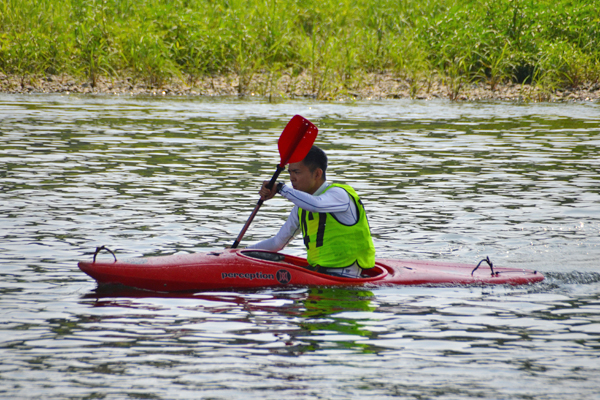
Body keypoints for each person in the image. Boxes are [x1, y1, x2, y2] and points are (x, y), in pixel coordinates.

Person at [247, 145, 376, 278]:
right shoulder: (301, 207)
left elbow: (316, 205)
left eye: (297, 172)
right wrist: (242, 252)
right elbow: (277, 243)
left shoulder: (339, 194)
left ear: (317, 174)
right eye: (290, 173)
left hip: (346, 277)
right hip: (318, 273)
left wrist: (280, 188)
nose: (292, 178)